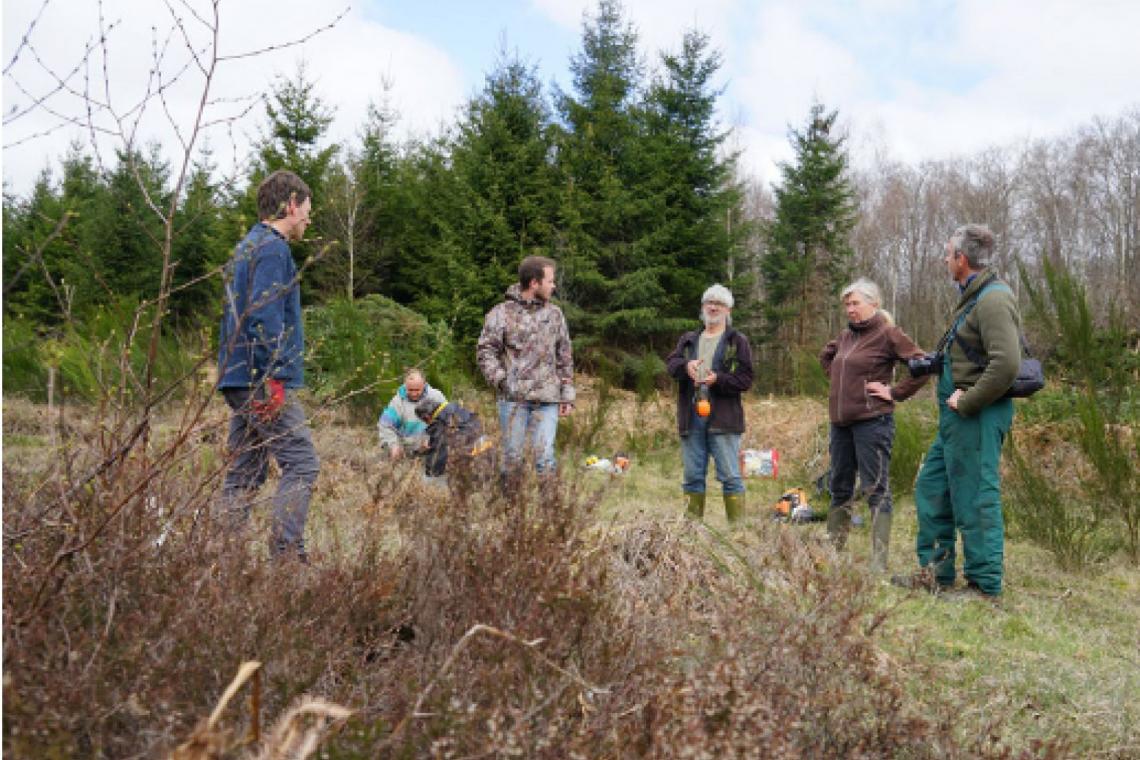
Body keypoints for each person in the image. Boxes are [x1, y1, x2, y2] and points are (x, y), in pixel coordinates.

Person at [892, 224, 1021, 599]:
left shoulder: (994, 299)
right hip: (956, 419)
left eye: (948, 254)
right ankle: (935, 574)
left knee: (975, 495)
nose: (945, 260)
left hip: (976, 414)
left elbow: (1007, 364)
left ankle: (984, 586)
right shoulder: (971, 297)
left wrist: (968, 401)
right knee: (933, 487)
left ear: (961, 260)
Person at [216, 169, 320, 562]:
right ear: (291, 205)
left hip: (239, 375)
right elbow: (264, 316)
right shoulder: (274, 249)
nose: (309, 219)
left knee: (245, 470)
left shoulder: (245, 247)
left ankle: (220, 559)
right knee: (303, 464)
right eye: (307, 210)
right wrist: (274, 377)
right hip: (261, 378)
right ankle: (287, 560)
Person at [819, 277, 929, 572]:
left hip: (873, 422)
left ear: (874, 303)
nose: (850, 309)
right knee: (839, 485)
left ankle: (878, 563)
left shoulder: (888, 334)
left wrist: (893, 392)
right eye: (847, 304)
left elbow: (922, 366)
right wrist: (842, 380)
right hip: (840, 423)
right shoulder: (846, 336)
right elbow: (828, 357)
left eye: (855, 303)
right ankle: (833, 552)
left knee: (875, 488)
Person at [476, 255, 575, 476]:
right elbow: (485, 351)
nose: (554, 286)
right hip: (513, 400)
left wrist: (567, 394)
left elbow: (565, 355)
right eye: (550, 281)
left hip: (548, 399)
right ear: (534, 283)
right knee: (512, 459)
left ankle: (551, 509)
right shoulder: (501, 313)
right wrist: (502, 380)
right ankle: (510, 507)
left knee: (546, 457)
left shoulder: (555, 314)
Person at [665, 284, 754, 522]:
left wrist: (719, 379)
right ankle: (691, 533)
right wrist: (686, 367)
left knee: (730, 477)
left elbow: (746, 379)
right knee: (692, 476)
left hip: (724, 418)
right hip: (691, 415)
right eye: (709, 303)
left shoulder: (737, 341)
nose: (713, 307)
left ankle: (738, 534)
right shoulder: (688, 340)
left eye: (719, 304)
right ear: (703, 307)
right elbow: (671, 365)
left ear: (728, 310)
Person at [377, 368, 447, 461]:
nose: (414, 394)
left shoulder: (437, 396)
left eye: (417, 390)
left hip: (434, 450)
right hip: (408, 454)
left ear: (424, 384)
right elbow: (385, 425)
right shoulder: (397, 402)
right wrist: (393, 445)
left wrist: (433, 438)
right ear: (405, 386)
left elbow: (447, 421)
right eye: (410, 390)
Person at [414, 397, 490, 482]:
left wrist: (420, 454)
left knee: (428, 480)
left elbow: (435, 464)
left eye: (424, 421)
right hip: (490, 454)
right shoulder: (461, 410)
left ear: (427, 417)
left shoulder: (440, 425)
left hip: (474, 467)